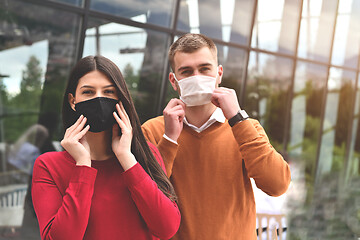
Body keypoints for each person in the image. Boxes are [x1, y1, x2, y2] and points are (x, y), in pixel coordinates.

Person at [141, 33, 291, 239]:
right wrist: (169, 140)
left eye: (204, 69)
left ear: (219, 74)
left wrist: (237, 120)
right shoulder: (152, 130)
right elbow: (144, 201)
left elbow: (277, 185)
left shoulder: (247, 128)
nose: (197, 77)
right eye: (186, 71)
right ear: (173, 81)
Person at [31, 55, 180, 240]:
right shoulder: (48, 166)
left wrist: (126, 157)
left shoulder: (146, 154)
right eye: (88, 92)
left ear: (120, 98)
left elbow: (167, 228)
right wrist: (83, 166)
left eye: (108, 92)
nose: (99, 99)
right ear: (72, 101)